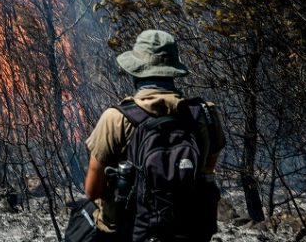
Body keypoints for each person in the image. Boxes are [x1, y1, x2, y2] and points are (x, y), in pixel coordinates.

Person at [84, 29, 225, 242]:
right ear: (173, 72)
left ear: (136, 72)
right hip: (189, 232)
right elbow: (207, 172)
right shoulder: (206, 114)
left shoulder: (115, 119)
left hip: (131, 232)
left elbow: (92, 191)